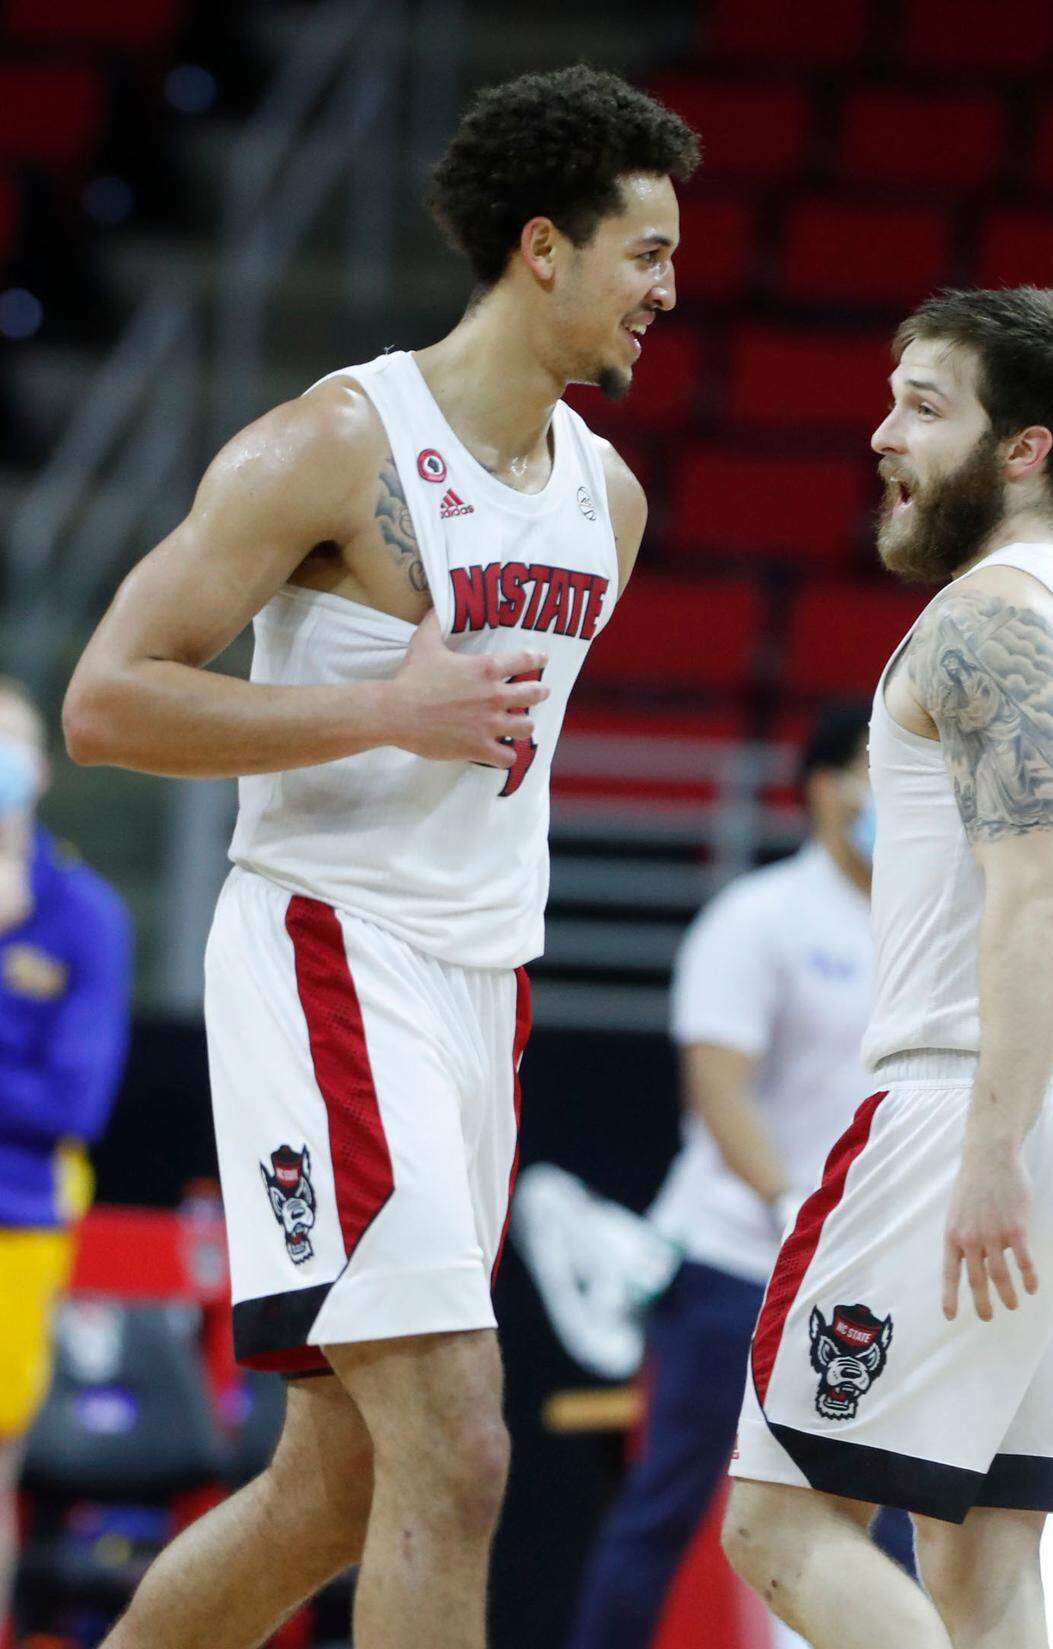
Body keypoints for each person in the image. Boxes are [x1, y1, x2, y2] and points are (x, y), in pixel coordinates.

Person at [62, 65, 699, 1649]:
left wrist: (425, 731)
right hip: (327, 952)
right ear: (544, 248)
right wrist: (382, 711)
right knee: (463, 1442)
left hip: (485, 987)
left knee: (335, 1492)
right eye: (646, 252)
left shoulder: (608, 502)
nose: (670, 292)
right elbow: (103, 701)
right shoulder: (334, 444)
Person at [721, 285, 1053, 1649]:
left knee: (777, 1524)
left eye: (923, 405)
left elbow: (1031, 896)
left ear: (1021, 448)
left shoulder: (991, 622)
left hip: (990, 1096)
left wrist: (993, 1144)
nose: (881, 435)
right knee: (979, 1554)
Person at [516, 703, 916, 1649]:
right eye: (885, 769)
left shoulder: (931, 931)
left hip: (867, 1273)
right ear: (828, 788)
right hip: (737, 1259)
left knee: (891, 1513)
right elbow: (718, 1088)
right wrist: (790, 1209)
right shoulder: (759, 918)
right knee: (670, 1500)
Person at [0, 678, 131, 1635]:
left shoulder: (85, 914)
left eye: (11, 745)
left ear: (40, 770)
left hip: (18, 1218)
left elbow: (72, 1101)